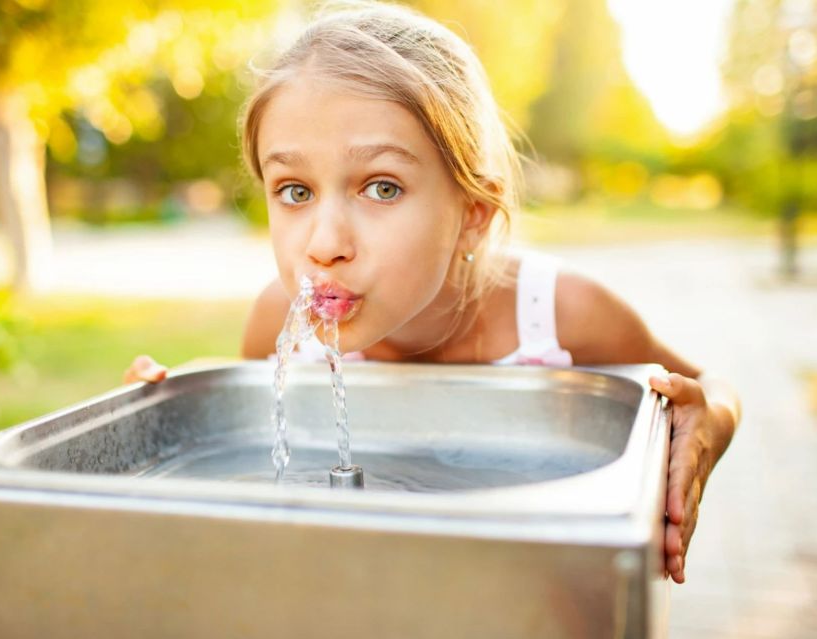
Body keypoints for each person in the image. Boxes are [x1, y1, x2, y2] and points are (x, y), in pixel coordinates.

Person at [124, 0, 740, 585]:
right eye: (294, 190)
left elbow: (712, 390)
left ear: (471, 210)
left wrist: (710, 419)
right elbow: (246, 452)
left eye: (382, 187)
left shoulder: (560, 314)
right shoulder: (276, 320)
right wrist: (163, 417)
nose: (325, 242)